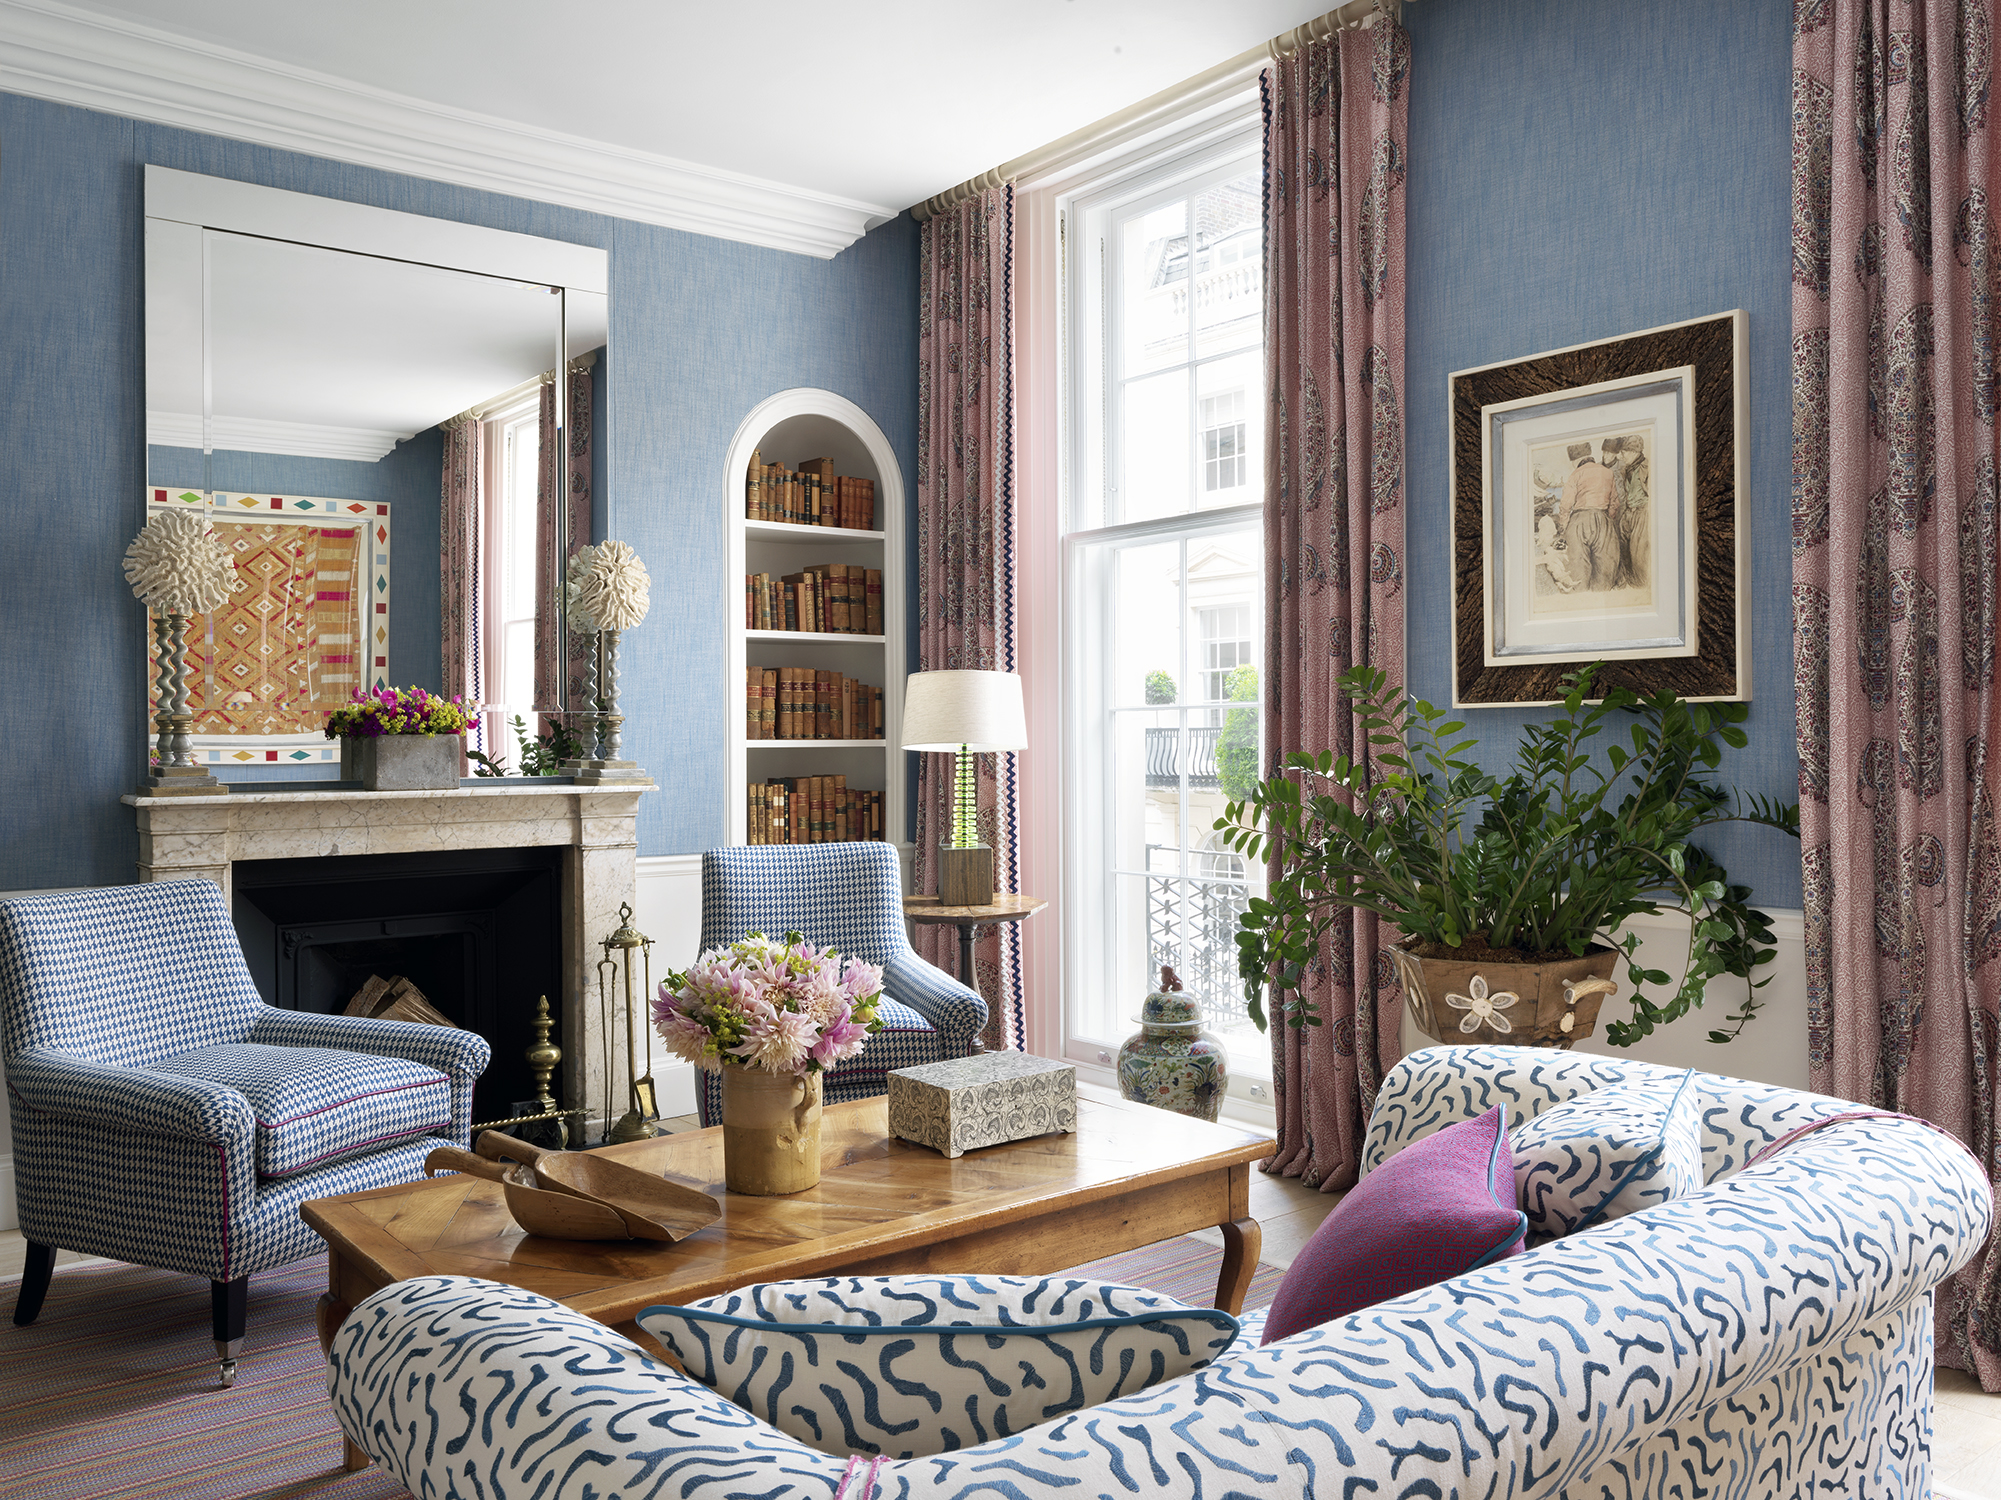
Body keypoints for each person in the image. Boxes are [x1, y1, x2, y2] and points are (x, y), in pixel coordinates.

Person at [1557, 440, 1620, 590]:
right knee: (1605, 567)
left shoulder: (1575, 474)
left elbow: (1565, 506)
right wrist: (1606, 519)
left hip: (1578, 521)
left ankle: (1582, 601)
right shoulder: (1607, 472)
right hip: (1603, 520)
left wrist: (1565, 527)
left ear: (1574, 459)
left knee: (1578, 567)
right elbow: (1615, 503)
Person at [1610, 435, 1650, 589]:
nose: (1622, 456)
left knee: (1639, 554)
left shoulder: (1646, 467)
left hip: (1641, 514)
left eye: (1624, 452)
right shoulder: (1625, 469)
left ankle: (1641, 587)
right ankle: (1632, 584)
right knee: (1624, 552)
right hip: (1628, 514)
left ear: (1633, 451)